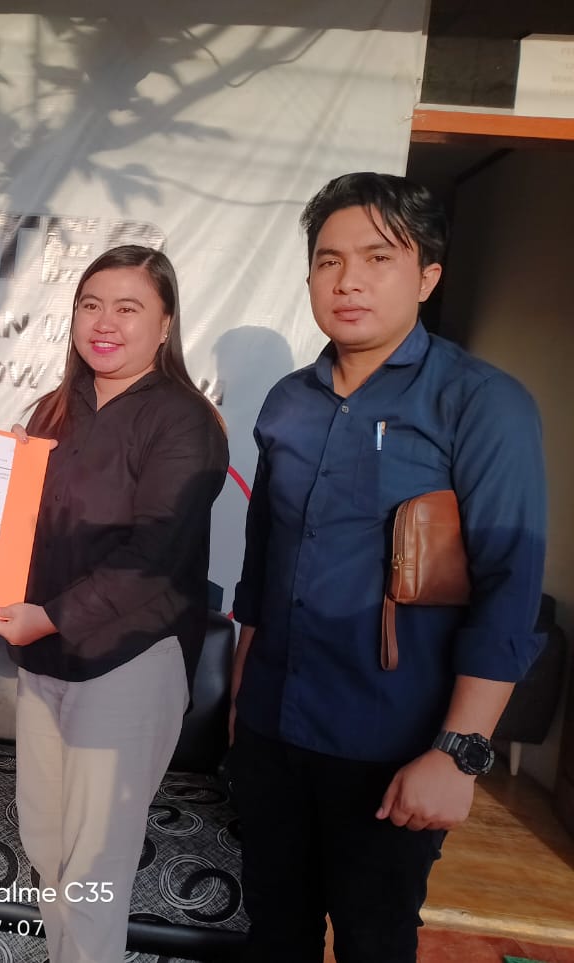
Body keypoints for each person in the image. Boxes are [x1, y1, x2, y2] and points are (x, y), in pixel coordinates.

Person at [229, 172, 546, 963]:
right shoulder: (287, 403)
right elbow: (262, 570)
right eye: (329, 260)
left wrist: (458, 752)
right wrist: (241, 708)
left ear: (428, 275)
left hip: (392, 746)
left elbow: (510, 590)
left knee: (375, 942)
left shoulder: (481, 403)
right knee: (272, 936)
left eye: (378, 258)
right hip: (272, 733)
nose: (349, 281)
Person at [0, 245, 228, 963]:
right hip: (44, 659)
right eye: (90, 305)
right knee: (47, 846)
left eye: (127, 307)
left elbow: (155, 556)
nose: (104, 323)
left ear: (166, 323)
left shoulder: (184, 420)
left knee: (93, 869)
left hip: (129, 661)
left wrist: (49, 616)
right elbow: (24, 531)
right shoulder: (54, 410)